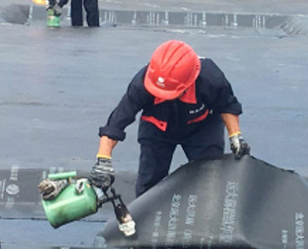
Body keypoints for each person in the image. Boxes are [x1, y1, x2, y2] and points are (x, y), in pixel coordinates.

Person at [89, 40, 251, 197]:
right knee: (149, 183)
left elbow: (227, 105)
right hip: (157, 127)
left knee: (209, 180)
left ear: (189, 82)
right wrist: (103, 160)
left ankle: (206, 218)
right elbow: (117, 122)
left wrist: (235, 136)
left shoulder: (210, 77)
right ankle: (147, 221)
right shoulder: (142, 83)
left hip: (201, 128)